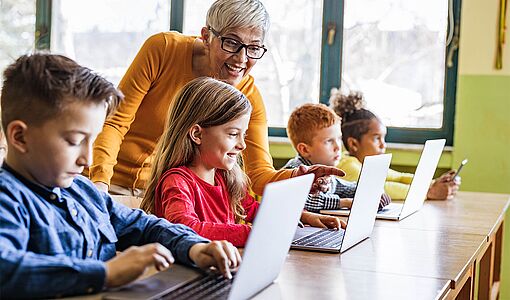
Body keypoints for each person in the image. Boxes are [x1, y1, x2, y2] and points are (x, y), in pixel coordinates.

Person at [0, 54, 241, 299]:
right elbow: (6, 269)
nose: (88, 160)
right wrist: (105, 272)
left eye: (92, 141)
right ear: (19, 137)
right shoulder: (6, 198)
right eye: (74, 141)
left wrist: (195, 248)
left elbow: (145, 226)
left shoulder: (83, 191)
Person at [89, 0, 342, 197]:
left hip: (164, 196)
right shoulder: (163, 49)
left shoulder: (249, 97)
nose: (241, 59)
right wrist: (99, 183)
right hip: (108, 183)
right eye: (232, 43)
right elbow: (114, 122)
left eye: (253, 48)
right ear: (206, 36)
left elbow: (258, 175)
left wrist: (298, 177)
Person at [140, 77, 345, 247]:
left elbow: (255, 210)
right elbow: (184, 228)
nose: (242, 145)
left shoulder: (224, 178)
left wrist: (303, 217)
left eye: (243, 135)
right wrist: (252, 234)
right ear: (196, 134)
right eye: (232, 134)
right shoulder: (177, 182)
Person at [330, 89, 460, 200]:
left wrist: (433, 183)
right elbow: (377, 188)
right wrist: (429, 192)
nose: (383, 145)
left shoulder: (366, 164)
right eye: (376, 139)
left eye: (383, 138)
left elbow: (399, 177)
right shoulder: (347, 166)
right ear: (354, 144)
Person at [283, 103, 391, 212]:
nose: (337, 147)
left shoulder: (326, 173)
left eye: (339, 139)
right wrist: (346, 203)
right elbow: (304, 201)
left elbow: (346, 188)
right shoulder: (294, 171)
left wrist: (374, 192)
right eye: (329, 141)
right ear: (305, 150)